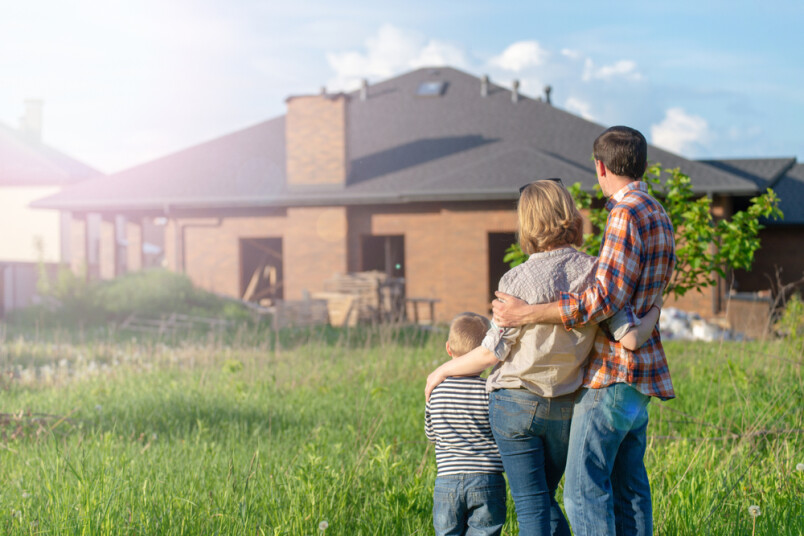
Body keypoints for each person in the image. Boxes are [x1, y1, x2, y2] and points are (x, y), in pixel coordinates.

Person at [426, 180, 659, 535]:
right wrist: (657, 308)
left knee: (533, 508)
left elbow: (490, 352)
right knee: (545, 501)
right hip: (565, 408)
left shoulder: (515, 280)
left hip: (514, 406)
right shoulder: (597, 274)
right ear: (570, 215)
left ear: (527, 224)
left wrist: (442, 370)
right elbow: (628, 335)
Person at [491, 126, 676, 536]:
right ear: (642, 163)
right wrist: (650, 316)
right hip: (641, 371)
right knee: (629, 488)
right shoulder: (659, 212)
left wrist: (528, 314)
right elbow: (654, 286)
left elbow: (603, 299)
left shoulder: (624, 214)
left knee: (580, 490)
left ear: (600, 166)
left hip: (611, 372)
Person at [425, 312, 506, 536]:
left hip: (447, 480)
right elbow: (499, 431)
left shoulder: (435, 390)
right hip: (487, 478)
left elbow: (431, 434)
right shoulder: (490, 391)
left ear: (448, 349)